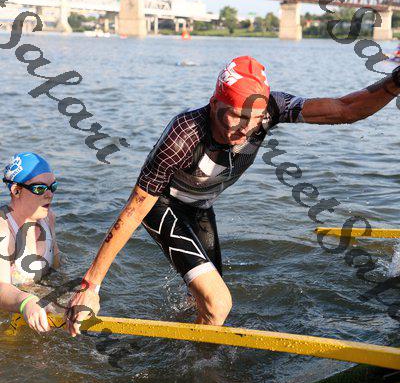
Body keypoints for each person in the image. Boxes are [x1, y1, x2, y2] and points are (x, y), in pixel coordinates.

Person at [66, 55, 400, 337]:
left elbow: (346, 108)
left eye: (254, 119)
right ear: (215, 104)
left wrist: (395, 82)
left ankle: (189, 344)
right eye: (235, 115)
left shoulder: (272, 108)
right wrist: (90, 286)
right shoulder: (183, 135)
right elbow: (134, 210)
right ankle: (201, 366)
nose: (244, 128)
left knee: (203, 302)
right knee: (219, 302)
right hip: (161, 206)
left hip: (201, 207)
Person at [0, 152, 60, 333]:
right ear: (16, 190)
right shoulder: (4, 229)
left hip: (36, 298)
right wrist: (26, 301)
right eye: (40, 188)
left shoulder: (48, 218)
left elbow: (56, 267)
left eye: (53, 186)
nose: (49, 194)